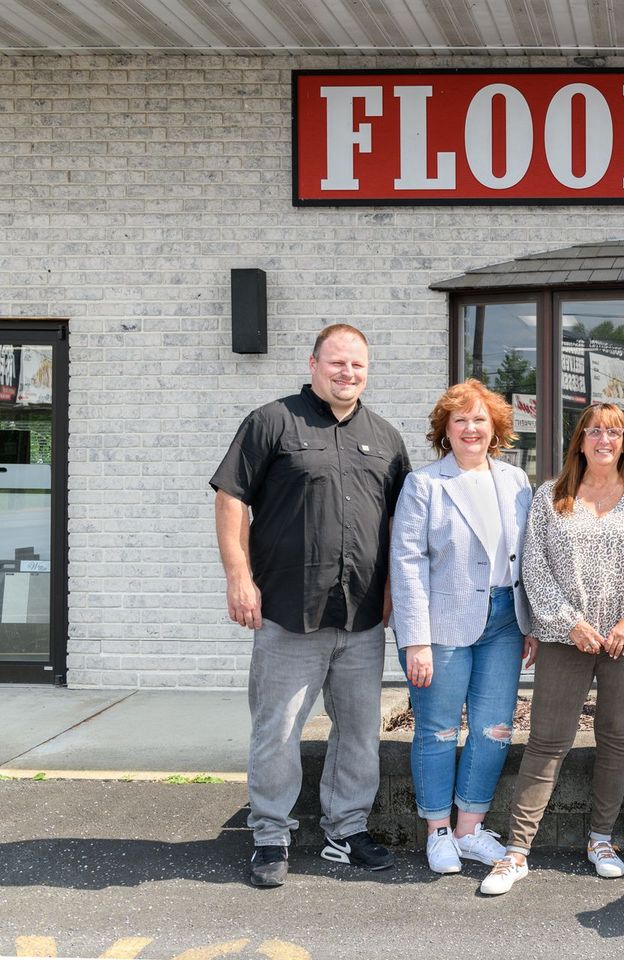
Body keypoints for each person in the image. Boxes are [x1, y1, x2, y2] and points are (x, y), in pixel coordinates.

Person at [211, 324, 411, 888]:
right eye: (337, 363)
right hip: (288, 610)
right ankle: (270, 834)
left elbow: (400, 523)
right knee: (276, 729)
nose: (347, 373)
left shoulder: (386, 438)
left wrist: (394, 592)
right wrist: (239, 578)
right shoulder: (272, 421)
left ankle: (346, 830)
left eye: (358, 366)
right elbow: (231, 501)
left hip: (363, 615)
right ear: (314, 363)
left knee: (358, 730)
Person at [480, 403, 624, 895]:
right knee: (547, 739)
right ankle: (517, 851)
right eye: (595, 432)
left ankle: (601, 840)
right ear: (580, 441)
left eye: (615, 432)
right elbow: (535, 568)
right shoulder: (551, 496)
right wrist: (570, 624)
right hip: (566, 638)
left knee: (616, 737)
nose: (604, 440)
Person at [389, 379, 537, 875]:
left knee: (494, 728)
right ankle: (438, 833)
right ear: (445, 430)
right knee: (438, 729)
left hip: (504, 621)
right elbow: (406, 563)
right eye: (460, 420)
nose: (471, 428)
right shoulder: (425, 484)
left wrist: (530, 622)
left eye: (480, 419)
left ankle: (470, 830)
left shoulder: (516, 481)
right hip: (442, 625)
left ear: (495, 426)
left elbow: (528, 558)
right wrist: (415, 640)